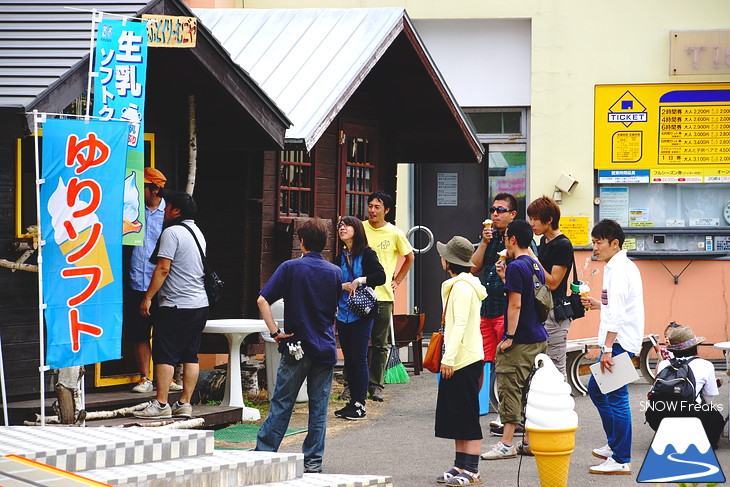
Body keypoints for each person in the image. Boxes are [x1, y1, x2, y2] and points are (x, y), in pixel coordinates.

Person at [255, 218, 342, 473]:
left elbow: (262, 301)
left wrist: (275, 332)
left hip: (295, 345)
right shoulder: (335, 272)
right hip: (324, 347)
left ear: (301, 241)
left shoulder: (290, 268)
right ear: (324, 244)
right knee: (319, 407)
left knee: (282, 402)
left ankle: (264, 453)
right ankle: (313, 461)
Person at [134, 190, 209, 419]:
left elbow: (163, 268)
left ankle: (161, 403)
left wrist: (148, 297)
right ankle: (185, 403)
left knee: (165, 354)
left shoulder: (172, 232)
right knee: (190, 354)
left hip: (176, 304)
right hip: (199, 303)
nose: (165, 210)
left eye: (168, 207)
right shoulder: (197, 231)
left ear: (176, 210)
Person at [580, 219, 644, 475]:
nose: (594, 247)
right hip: (618, 341)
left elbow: (617, 314)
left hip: (618, 343)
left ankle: (620, 459)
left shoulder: (618, 270)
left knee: (617, 399)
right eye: (593, 242)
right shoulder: (620, 266)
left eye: (598, 242)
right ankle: (614, 445)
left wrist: (607, 349)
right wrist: (598, 304)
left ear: (614, 243)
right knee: (596, 390)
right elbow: (619, 305)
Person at [481, 220, 548, 460]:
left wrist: (509, 336)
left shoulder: (517, 266)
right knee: (530, 389)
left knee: (510, 387)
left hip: (521, 339)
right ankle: (529, 441)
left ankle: (506, 443)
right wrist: (503, 277)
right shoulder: (534, 264)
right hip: (538, 336)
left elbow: (516, 303)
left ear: (512, 240)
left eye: (507, 237)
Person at [470, 193, 536, 432]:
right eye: (493, 210)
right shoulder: (491, 238)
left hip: (506, 309)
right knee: (483, 360)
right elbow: (474, 266)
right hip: (486, 309)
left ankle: (508, 415)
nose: (495, 214)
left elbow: (533, 271)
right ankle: (477, 406)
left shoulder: (520, 240)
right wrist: (484, 242)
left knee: (506, 365)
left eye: (500, 210)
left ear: (512, 214)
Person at [434, 236, 487, 486]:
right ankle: (460, 465)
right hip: (462, 357)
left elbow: (460, 325)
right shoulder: (459, 285)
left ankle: (472, 468)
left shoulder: (463, 288)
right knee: (456, 414)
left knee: (466, 415)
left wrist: (448, 357)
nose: (441, 259)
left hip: (463, 358)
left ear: (449, 261)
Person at [125, 168, 182, 393]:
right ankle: (144, 377)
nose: (141, 189)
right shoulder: (132, 209)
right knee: (137, 332)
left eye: (145, 186)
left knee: (164, 333)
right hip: (134, 278)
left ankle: (164, 378)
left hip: (162, 282)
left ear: (155, 189)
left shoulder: (169, 213)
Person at [361, 191, 414, 402]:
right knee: (358, 341)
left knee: (380, 343)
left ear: (387, 210)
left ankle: (376, 385)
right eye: (370, 206)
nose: (372, 210)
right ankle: (352, 384)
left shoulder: (394, 233)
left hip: (383, 295)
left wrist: (398, 280)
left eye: (377, 207)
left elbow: (409, 257)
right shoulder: (360, 229)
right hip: (360, 294)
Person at [333, 216, 385, 420]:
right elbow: (333, 283)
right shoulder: (340, 257)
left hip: (362, 314)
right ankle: (352, 402)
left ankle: (359, 404)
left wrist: (360, 280)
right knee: (350, 360)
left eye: (346, 225)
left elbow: (380, 277)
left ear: (357, 229)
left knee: (359, 358)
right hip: (344, 314)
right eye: (339, 226)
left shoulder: (367, 254)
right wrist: (344, 286)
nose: (341, 228)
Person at [645, 324, 725, 449]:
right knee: (715, 416)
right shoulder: (706, 365)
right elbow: (708, 399)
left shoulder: (664, 364)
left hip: (661, 415)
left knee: (654, 410)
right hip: (692, 417)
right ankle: (700, 440)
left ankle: (670, 436)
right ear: (695, 346)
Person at [527, 195, 574, 379]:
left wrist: (532, 258)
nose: (532, 223)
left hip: (555, 314)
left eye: (535, 219)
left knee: (555, 367)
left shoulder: (563, 245)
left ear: (548, 220)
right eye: (530, 218)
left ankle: (561, 405)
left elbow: (553, 282)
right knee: (539, 365)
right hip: (541, 310)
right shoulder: (543, 242)